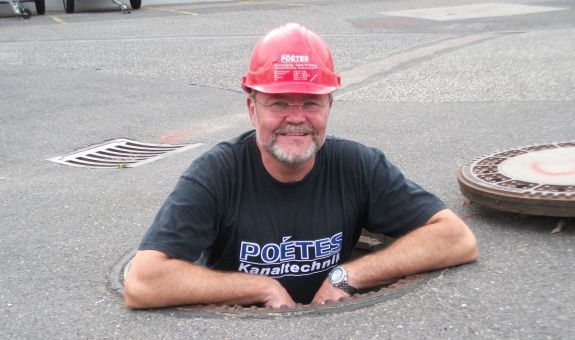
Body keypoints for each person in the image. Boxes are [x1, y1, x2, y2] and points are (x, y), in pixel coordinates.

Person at [124, 23, 478, 309]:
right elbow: (143, 281)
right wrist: (260, 287)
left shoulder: (356, 166)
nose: (296, 119)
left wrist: (347, 275)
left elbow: (456, 239)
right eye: (278, 103)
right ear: (252, 108)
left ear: (329, 107)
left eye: (311, 102)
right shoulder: (217, 174)